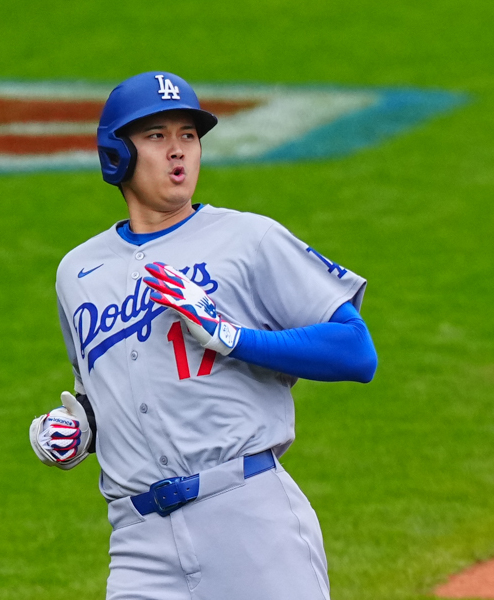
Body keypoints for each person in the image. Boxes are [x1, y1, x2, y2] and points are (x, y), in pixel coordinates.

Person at [29, 71, 377, 600]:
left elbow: (356, 351)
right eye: (157, 136)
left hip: (249, 520)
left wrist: (231, 336)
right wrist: (76, 428)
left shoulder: (248, 239)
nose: (178, 151)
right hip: (138, 542)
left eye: (188, 136)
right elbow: (104, 394)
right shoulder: (78, 273)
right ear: (116, 154)